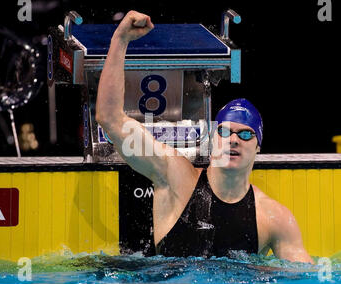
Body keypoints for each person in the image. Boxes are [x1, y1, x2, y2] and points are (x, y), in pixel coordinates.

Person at [96, 10, 314, 264]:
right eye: (224, 131)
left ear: (258, 147)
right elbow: (110, 119)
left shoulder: (274, 219)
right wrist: (120, 39)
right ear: (212, 140)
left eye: (245, 134)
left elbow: (305, 277)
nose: (233, 140)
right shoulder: (175, 176)